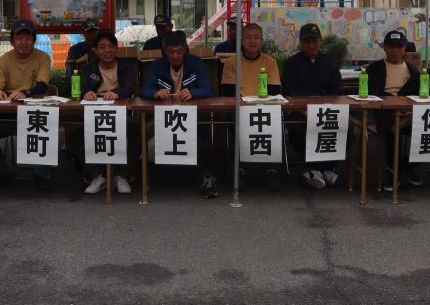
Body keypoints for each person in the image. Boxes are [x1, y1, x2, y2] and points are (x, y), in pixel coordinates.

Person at [141, 30, 217, 197]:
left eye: (179, 51)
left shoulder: (195, 63)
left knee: (192, 135)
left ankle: (205, 176)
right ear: (165, 52)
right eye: (171, 52)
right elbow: (145, 89)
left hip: (192, 118)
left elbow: (208, 89)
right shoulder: (157, 65)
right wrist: (155, 93)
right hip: (164, 120)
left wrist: (193, 93)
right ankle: (197, 175)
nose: (175, 56)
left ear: (186, 50)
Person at [0, 18, 52, 188]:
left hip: (35, 113)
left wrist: (26, 93)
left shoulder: (43, 58)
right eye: (19, 38)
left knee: (49, 125)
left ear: (34, 40)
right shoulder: (3, 60)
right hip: (8, 114)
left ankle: (42, 175)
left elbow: (43, 85)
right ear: (11, 41)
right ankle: (1, 173)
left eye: (28, 38)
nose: (24, 42)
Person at [220, 23, 284, 190]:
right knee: (236, 122)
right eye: (248, 37)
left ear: (262, 40)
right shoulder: (232, 62)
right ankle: (239, 169)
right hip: (240, 109)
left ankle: (272, 169)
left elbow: (274, 90)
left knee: (274, 122)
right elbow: (228, 91)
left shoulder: (270, 62)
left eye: (256, 37)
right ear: (241, 40)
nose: (252, 41)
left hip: (266, 108)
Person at [75, 30, 139, 195]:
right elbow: (83, 88)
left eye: (111, 46)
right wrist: (87, 93)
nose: (107, 50)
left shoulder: (126, 66)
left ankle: (122, 176)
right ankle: (97, 176)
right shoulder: (88, 68)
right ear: (95, 50)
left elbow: (129, 87)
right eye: (102, 47)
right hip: (95, 116)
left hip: (121, 115)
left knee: (136, 131)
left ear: (116, 48)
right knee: (78, 133)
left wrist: (118, 93)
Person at [281, 23, 344, 190]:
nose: (311, 45)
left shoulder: (330, 64)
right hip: (300, 111)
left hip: (327, 111)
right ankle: (314, 168)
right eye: (307, 41)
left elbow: (337, 91)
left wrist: (327, 109)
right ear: (301, 42)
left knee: (348, 129)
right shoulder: (292, 63)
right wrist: (303, 109)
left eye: (314, 41)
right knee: (297, 129)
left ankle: (328, 167)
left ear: (320, 42)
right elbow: (288, 90)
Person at [366, 30, 422, 190]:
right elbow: (372, 92)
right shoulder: (374, 69)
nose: (395, 50)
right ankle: (393, 173)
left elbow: (418, 94)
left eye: (399, 47)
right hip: (385, 114)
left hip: (410, 114)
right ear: (384, 47)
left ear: (405, 49)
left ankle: (408, 165)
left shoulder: (414, 71)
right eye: (391, 46)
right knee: (393, 131)